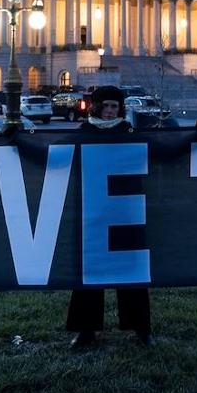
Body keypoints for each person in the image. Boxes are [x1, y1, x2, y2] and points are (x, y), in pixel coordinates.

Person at [65, 85, 154, 348]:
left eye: (114, 106)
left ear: (121, 108)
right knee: (90, 272)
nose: (109, 111)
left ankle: (141, 327)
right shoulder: (85, 133)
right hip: (93, 209)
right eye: (105, 106)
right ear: (95, 107)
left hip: (125, 210)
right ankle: (85, 329)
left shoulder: (128, 132)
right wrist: (19, 139)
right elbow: (53, 153)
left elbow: (160, 150)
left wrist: (194, 137)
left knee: (133, 273)